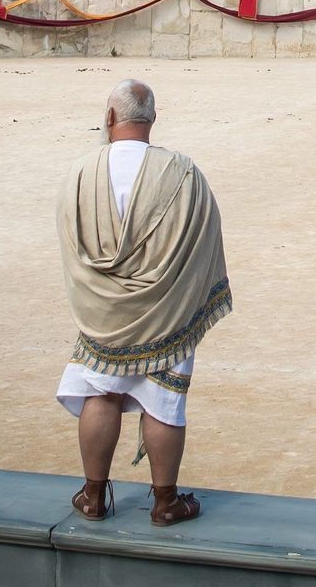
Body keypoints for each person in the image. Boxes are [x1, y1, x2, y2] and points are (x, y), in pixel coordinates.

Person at [56, 81, 232, 526]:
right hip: (168, 311)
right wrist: (180, 291)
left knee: (100, 390)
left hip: (103, 314)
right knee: (162, 399)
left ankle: (93, 497)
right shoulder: (183, 173)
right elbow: (205, 237)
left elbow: (72, 242)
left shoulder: (82, 172)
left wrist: (102, 291)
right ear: (153, 119)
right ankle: (165, 502)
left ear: (109, 117)